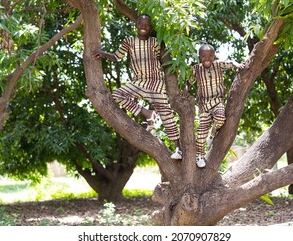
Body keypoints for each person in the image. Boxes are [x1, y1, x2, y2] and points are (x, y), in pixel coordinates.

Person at [92, 14, 182, 158]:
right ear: (136, 25)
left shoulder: (154, 42)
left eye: (147, 25)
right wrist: (102, 53)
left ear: (150, 27)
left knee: (166, 113)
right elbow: (117, 57)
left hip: (155, 81)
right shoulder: (129, 41)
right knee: (117, 95)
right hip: (139, 82)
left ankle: (178, 149)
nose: (143, 27)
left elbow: (160, 58)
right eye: (141, 24)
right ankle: (147, 113)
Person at [185, 44, 244, 168]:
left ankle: (213, 133)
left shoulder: (218, 65)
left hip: (217, 101)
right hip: (204, 105)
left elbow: (230, 62)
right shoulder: (196, 69)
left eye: (210, 55)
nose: (207, 58)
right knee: (201, 132)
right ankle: (200, 156)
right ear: (199, 57)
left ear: (214, 56)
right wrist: (185, 90)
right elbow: (188, 82)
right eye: (203, 56)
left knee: (221, 118)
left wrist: (237, 64)